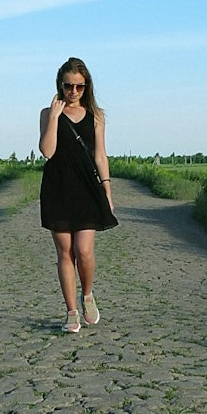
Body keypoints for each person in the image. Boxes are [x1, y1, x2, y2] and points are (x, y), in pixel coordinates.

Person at [39, 57, 118, 333]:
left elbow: (100, 154)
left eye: (79, 87)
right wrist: (53, 116)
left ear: (87, 86)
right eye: (68, 86)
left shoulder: (96, 115)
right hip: (57, 188)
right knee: (65, 252)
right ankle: (71, 312)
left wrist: (106, 190)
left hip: (86, 188)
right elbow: (47, 151)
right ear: (60, 85)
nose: (73, 92)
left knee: (83, 251)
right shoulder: (47, 113)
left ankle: (87, 295)